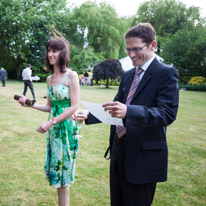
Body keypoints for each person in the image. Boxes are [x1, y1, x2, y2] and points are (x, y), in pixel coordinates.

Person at [73, 23, 179, 206]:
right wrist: (89, 115)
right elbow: (115, 109)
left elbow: (167, 113)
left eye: (136, 49)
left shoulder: (166, 73)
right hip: (119, 152)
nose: (131, 55)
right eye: (128, 49)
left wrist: (129, 111)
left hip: (143, 159)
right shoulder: (128, 75)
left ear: (152, 45)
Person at [18, 37, 80, 206]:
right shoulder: (49, 79)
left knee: (65, 175)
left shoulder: (71, 75)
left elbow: (74, 107)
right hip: (54, 130)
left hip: (67, 129)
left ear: (63, 53)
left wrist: (51, 122)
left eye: (55, 50)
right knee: (57, 173)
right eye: (49, 50)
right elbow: (49, 107)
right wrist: (30, 105)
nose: (50, 54)